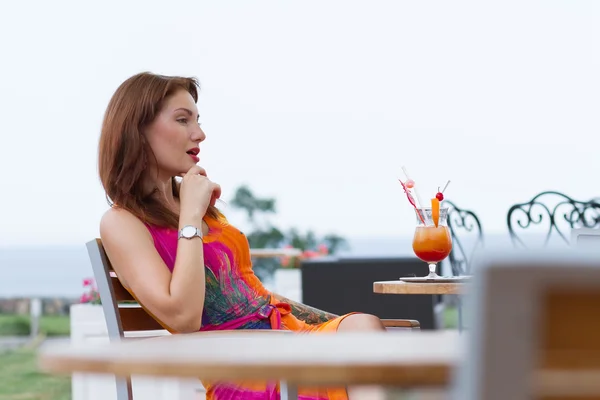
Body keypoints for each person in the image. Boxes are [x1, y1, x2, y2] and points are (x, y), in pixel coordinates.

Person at [97, 72, 387, 400]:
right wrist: (190, 215)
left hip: (289, 342)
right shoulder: (122, 222)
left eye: (197, 120)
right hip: (247, 370)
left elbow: (255, 297)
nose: (200, 134)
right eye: (182, 120)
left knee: (362, 328)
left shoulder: (198, 205)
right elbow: (183, 318)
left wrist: (340, 323)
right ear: (137, 130)